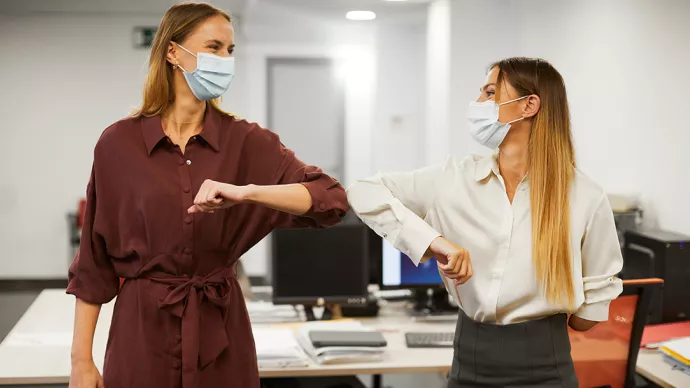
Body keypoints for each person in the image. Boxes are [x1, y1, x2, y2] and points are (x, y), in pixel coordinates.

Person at [67, 3, 347, 388]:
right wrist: (81, 361)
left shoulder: (247, 142)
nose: (225, 60)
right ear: (172, 51)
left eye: (230, 51)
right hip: (141, 333)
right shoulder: (117, 144)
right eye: (213, 47)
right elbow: (93, 264)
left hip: (222, 330)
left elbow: (330, 200)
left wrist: (249, 193)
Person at [347, 57, 623, 387]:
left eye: (490, 93)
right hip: (470, 362)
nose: (478, 103)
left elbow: (592, 306)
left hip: (547, 368)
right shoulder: (453, 179)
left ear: (529, 105)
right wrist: (433, 242)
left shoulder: (584, 196)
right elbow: (362, 191)